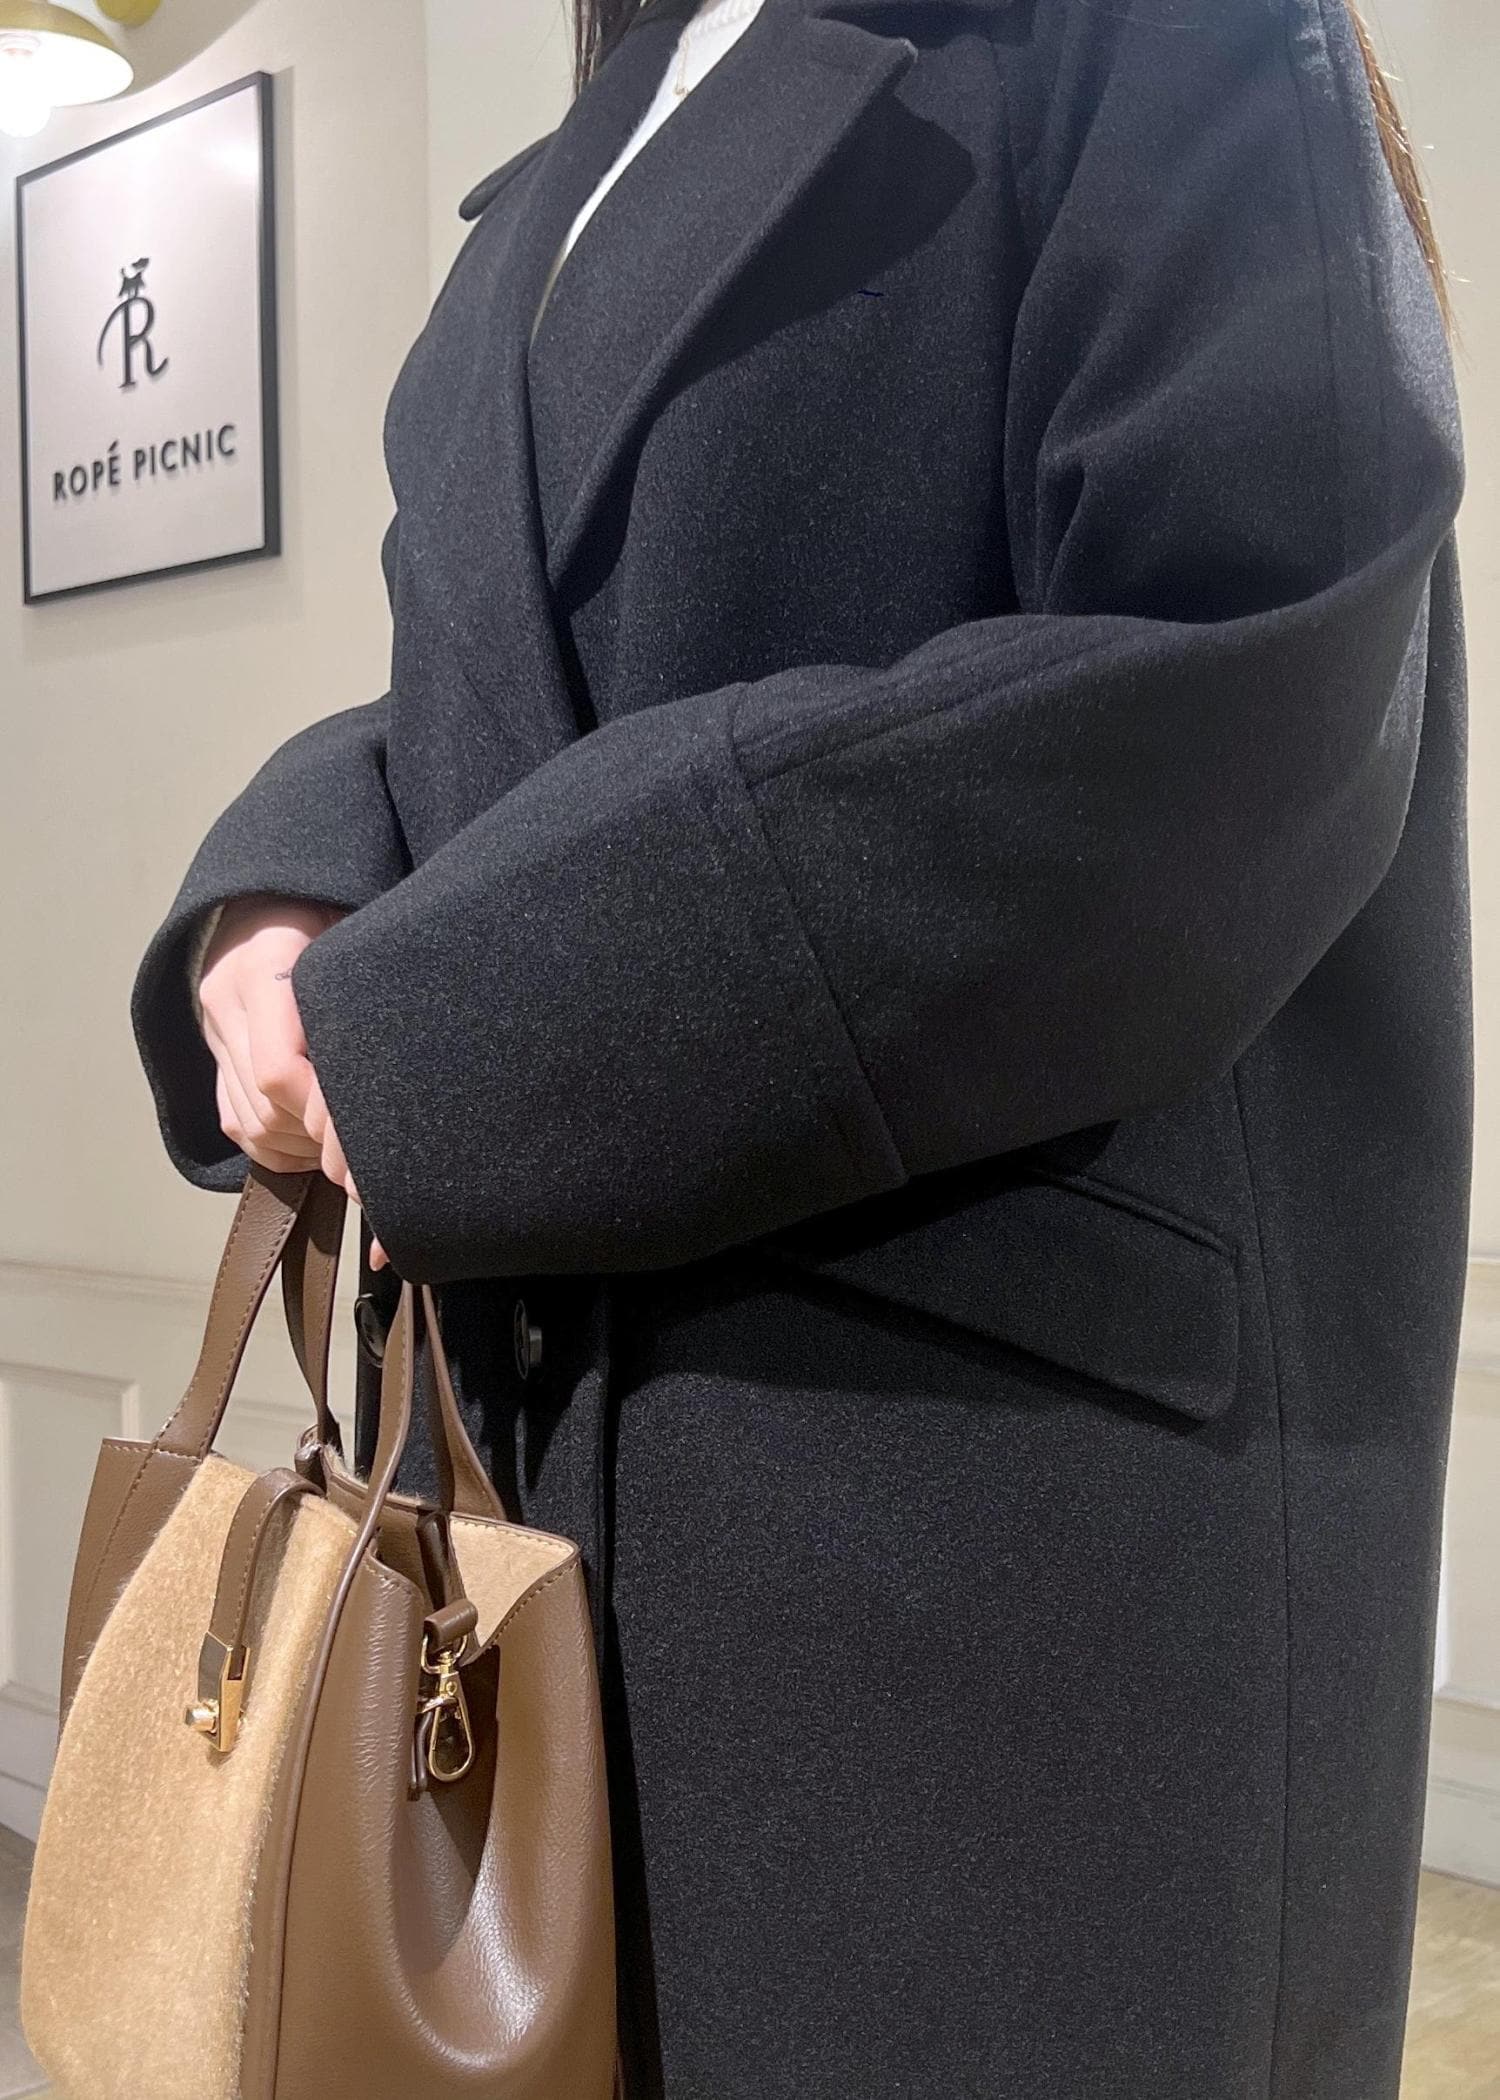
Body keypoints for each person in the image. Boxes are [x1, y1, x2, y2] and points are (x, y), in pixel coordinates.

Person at [132, 1, 1468, 2094]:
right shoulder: (587, 156)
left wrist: (459, 1017)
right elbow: (507, 685)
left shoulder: (1141, 35)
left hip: (973, 1576)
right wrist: (282, 884)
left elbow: (1231, 684)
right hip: (549, 1519)